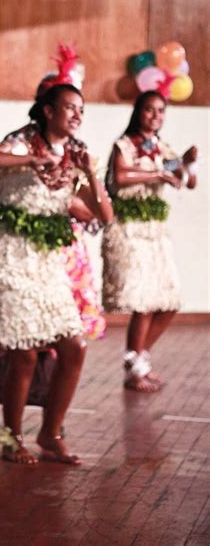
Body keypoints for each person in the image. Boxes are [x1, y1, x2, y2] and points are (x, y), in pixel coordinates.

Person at [0, 82, 113, 465]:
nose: (77, 115)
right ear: (48, 110)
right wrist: (28, 160)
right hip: (8, 257)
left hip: (46, 262)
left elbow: (104, 216)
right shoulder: (22, 140)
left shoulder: (76, 155)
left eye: (81, 109)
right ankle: (12, 439)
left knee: (74, 345)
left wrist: (92, 175)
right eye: (70, 108)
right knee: (24, 353)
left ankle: (50, 432)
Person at [0, 205, 106, 431]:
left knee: (54, 332)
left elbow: (97, 214)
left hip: (57, 244)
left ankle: (50, 417)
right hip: (10, 237)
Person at [102, 90, 198, 393]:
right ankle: (134, 370)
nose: (155, 116)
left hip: (155, 233)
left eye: (160, 111)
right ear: (138, 112)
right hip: (129, 231)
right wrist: (158, 174)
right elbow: (120, 176)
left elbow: (187, 181)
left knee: (169, 301)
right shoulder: (124, 145)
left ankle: (140, 359)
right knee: (144, 303)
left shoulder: (161, 148)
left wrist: (188, 163)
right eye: (149, 110)